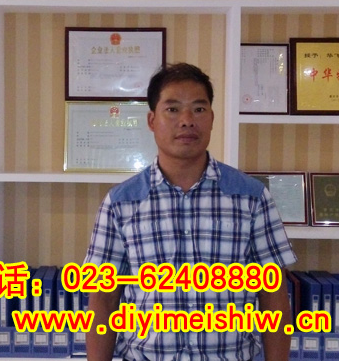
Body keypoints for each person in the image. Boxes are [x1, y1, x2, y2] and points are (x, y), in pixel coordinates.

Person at [84, 63, 297, 361]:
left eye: (198, 109)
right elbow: (104, 300)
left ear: (212, 118)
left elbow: (273, 296)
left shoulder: (251, 197)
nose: (186, 121)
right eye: (172, 109)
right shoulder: (121, 203)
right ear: (152, 120)